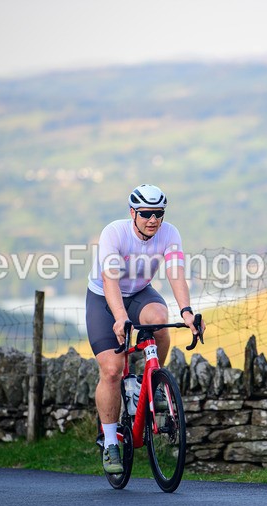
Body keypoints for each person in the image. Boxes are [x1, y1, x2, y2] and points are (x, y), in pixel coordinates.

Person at [86, 183, 204, 474]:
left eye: (159, 213)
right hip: (104, 297)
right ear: (133, 213)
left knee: (160, 319)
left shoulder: (169, 233)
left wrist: (187, 312)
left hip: (140, 292)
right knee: (113, 369)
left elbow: (176, 274)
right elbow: (110, 280)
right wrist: (119, 317)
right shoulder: (115, 233)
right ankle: (111, 441)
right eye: (147, 213)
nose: (153, 220)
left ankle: (151, 384)